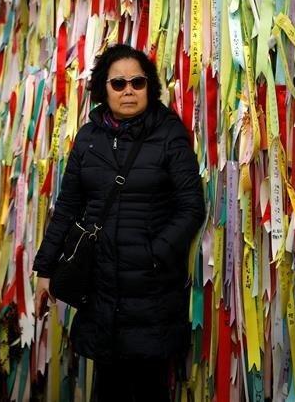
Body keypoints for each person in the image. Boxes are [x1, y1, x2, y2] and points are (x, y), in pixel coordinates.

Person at [33, 43, 205, 401]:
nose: (128, 90)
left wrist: (153, 253)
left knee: (147, 387)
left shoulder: (169, 134)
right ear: (103, 88)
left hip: (151, 289)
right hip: (100, 286)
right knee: (106, 387)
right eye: (118, 83)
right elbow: (67, 207)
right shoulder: (89, 138)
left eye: (138, 83)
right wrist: (44, 269)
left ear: (149, 87)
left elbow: (191, 207)